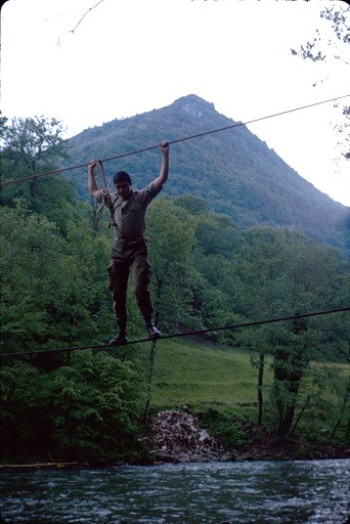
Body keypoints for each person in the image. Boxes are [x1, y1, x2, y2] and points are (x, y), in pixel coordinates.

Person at [87, 142, 169, 346]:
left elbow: (161, 179)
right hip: (119, 249)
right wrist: (90, 171)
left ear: (130, 184)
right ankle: (121, 332)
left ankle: (150, 324)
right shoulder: (111, 198)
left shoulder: (141, 197)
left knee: (140, 286)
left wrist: (165, 155)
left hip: (138, 248)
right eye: (118, 187)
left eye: (124, 186)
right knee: (117, 289)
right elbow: (93, 191)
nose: (121, 190)